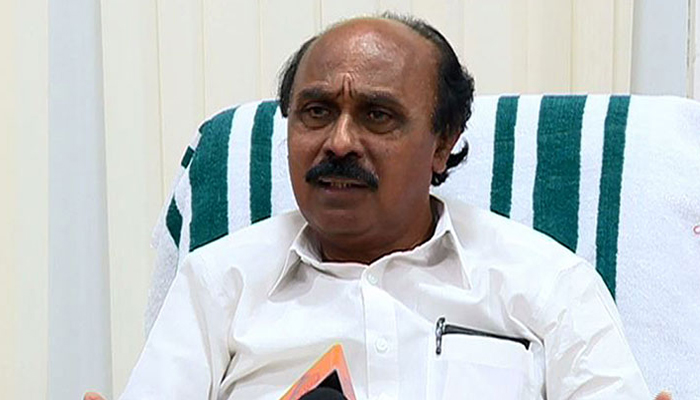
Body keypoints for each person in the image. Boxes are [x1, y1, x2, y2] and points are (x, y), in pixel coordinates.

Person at [89, 13, 672, 400]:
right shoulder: (218, 283)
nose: (339, 142)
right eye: (317, 112)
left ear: (442, 143)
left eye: (377, 115)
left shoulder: (547, 284)